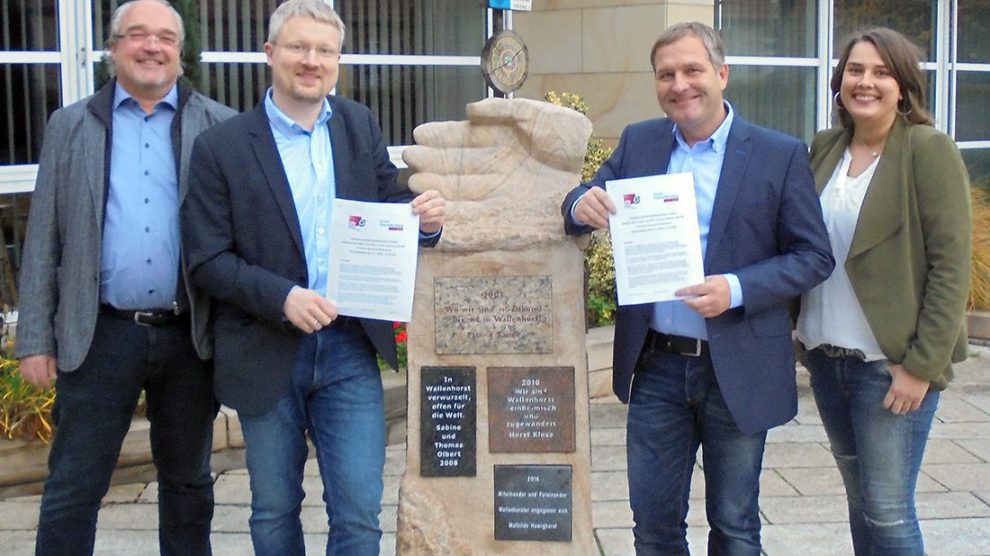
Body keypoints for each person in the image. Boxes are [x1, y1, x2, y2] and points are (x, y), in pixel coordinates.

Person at [181, 1, 445, 554]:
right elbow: (206, 258)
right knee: (274, 513)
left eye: (325, 50)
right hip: (266, 351)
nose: (311, 60)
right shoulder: (222, 147)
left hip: (348, 347)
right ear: (270, 53)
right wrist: (283, 298)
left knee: (358, 512)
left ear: (338, 61)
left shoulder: (357, 124)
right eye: (298, 47)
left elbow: (389, 201)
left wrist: (422, 223)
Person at [562, 21, 834, 555]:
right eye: (667, 74)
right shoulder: (640, 141)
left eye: (692, 70)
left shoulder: (778, 154)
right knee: (654, 529)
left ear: (722, 74)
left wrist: (736, 288)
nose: (680, 85)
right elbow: (584, 197)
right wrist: (578, 204)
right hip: (658, 368)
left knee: (735, 528)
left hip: (737, 366)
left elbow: (814, 256)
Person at [14, 1, 236, 554]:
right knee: (73, 486)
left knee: (188, 483)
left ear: (181, 55)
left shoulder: (220, 126)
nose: (151, 46)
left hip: (189, 337)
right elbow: (44, 238)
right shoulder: (70, 125)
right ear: (113, 49)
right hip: (99, 335)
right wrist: (35, 340)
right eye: (137, 35)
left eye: (165, 37)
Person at [796, 27, 971, 556]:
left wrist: (921, 367)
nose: (865, 82)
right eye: (855, 70)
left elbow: (950, 268)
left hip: (889, 366)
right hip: (828, 359)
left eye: (880, 72)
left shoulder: (927, 149)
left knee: (890, 513)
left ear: (903, 86)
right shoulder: (825, 147)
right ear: (839, 80)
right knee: (861, 505)